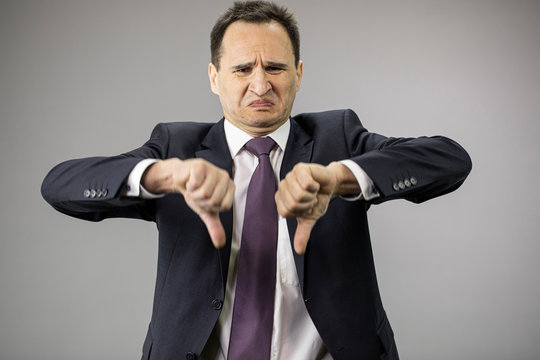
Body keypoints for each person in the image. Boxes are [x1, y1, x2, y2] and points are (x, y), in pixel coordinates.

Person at [41, 1, 472, 359]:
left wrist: (341, 176)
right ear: (214, 77)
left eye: (276, 68)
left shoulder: (336, 137)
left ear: (299, 75)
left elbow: (450, 160)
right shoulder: (177, 146)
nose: (261, 83)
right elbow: (60, 185)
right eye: (243, 68)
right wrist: (164, 174)